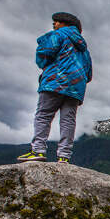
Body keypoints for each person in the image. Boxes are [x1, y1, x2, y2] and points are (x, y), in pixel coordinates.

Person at [17, 12, 92, 164]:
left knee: (44, 115)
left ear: (66, 24)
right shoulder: (84, 50)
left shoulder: (57, 35)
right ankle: (64, 156)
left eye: (57, 21)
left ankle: (37, 150)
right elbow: (89, 74)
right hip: (76, 88)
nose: (55, 24)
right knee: (68, 120)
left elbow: (43, 55)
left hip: (54, 82)